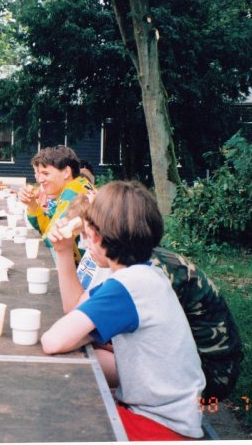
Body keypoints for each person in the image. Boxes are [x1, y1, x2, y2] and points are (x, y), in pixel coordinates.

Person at [42, 181, 205, 440]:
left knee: (54, 417)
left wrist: (83, 333)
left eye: (86, 234)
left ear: (95, 236)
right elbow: (76, 309)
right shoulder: (144, 274)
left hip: (159, 426)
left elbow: (53, 341)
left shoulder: (126, 286)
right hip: (175, 416)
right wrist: (63, 252)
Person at [17, 146, 93, 259]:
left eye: (46, 173)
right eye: (39, 173)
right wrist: (32, 204)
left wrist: (48, 234)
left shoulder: (72, 193)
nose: (40, 179)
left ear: (66, 172)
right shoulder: (79, 184)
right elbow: (48, 226)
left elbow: (53, 238)